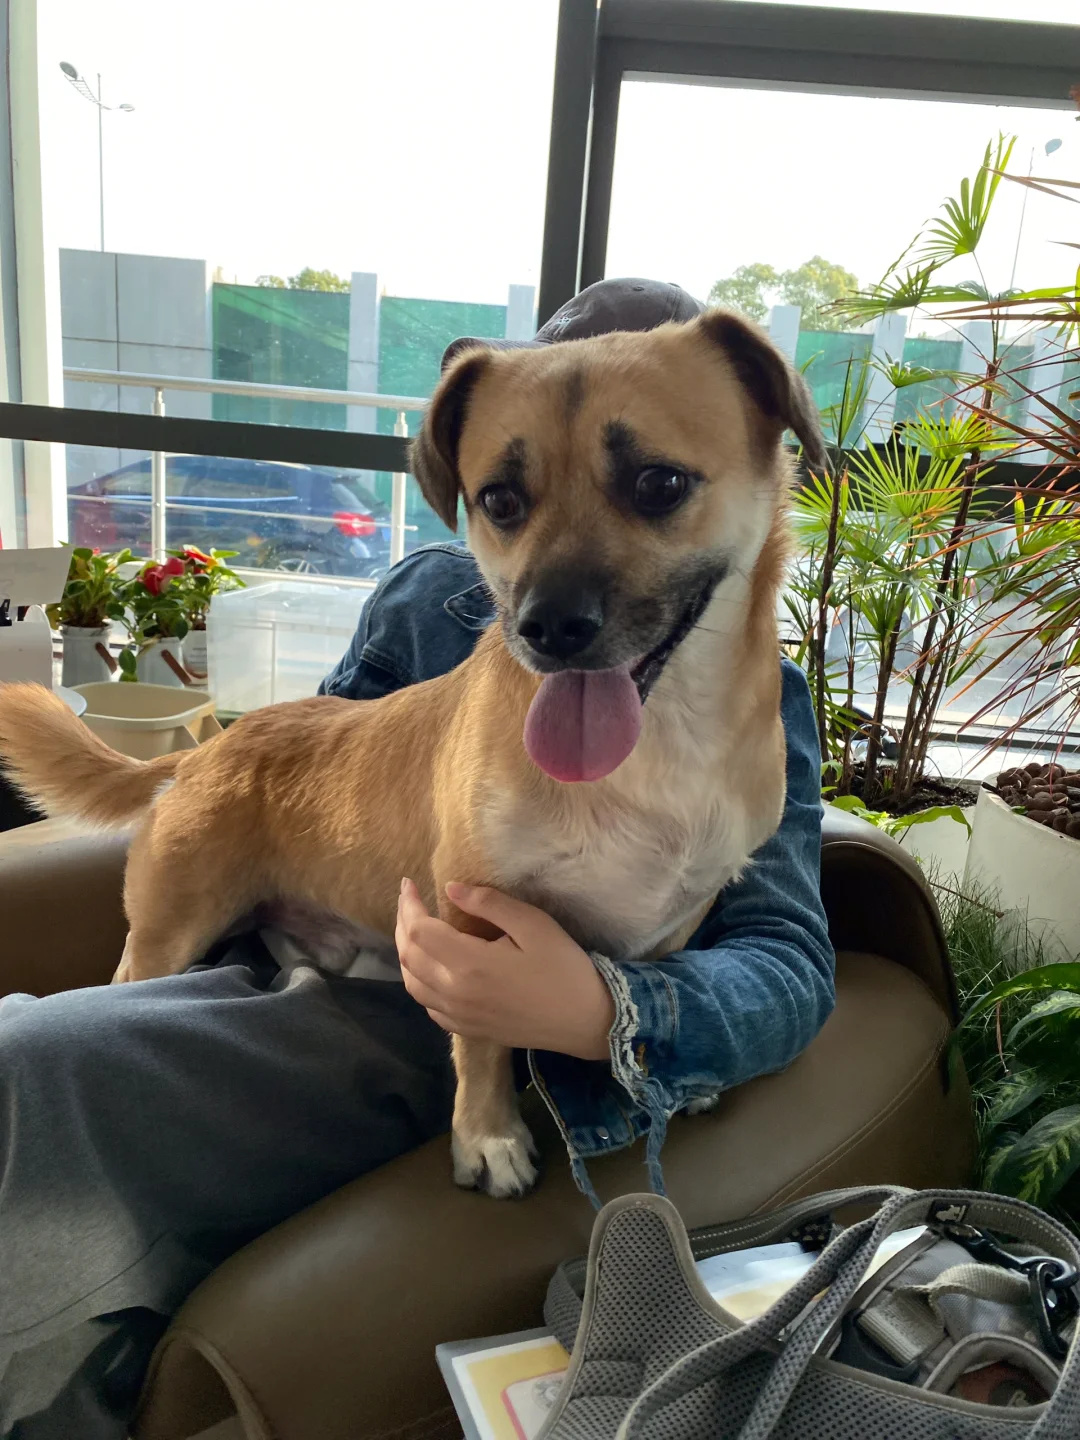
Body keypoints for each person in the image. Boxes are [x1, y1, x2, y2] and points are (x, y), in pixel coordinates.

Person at [0, 280, 834, 1440]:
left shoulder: (768, 713)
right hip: (309, 937)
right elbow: (334, 751)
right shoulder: (427, 595)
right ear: (462, 489)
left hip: (438, 1043)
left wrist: (605, 1010)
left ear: (765, 457)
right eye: (509, 501)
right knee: (46, 1048)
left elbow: (792, 964)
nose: (552, 591)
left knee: (36, 1067)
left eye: (653, 489)